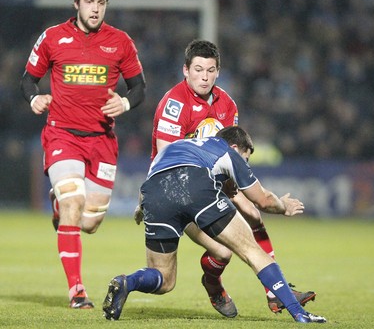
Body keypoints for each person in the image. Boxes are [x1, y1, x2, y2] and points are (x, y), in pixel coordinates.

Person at [148, 39, 315, 317]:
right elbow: (167, 157)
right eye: (198, 69)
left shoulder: (227, 104)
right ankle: (213, 285)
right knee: (223, 253)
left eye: (210, 70)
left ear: (218, 71)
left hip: (213, 182)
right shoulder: (174, 105)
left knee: (254, 215)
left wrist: (241, 193)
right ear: (185, 70)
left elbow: (230, 155)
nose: (204, 76)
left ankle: (275, 292)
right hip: (179, 189)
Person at [102, 126, 326, 324]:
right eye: (245, 159)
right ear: (236, 147)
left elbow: (149, 183)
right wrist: (283, 206)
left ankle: (127, 282)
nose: (243, 164)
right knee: (251, 250)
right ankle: (299, 314)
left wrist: (142, 207)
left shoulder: (177, 146)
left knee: (164, 278)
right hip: (194, 184)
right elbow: (263, 199)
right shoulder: (227, 151)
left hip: (154, 194)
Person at [20, 0, 146, 309]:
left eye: (101, 3)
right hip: (62, 134)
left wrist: (126, 103)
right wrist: (34, 99)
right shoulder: (53, 38)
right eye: (89, 2)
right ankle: (77, 290)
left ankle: (59, 202)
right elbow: (28, 81)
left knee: (89, 222)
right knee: (75, 204)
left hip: (102, 141)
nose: (95, 9)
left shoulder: (120, 42)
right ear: (76, 4)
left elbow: (140, 88)